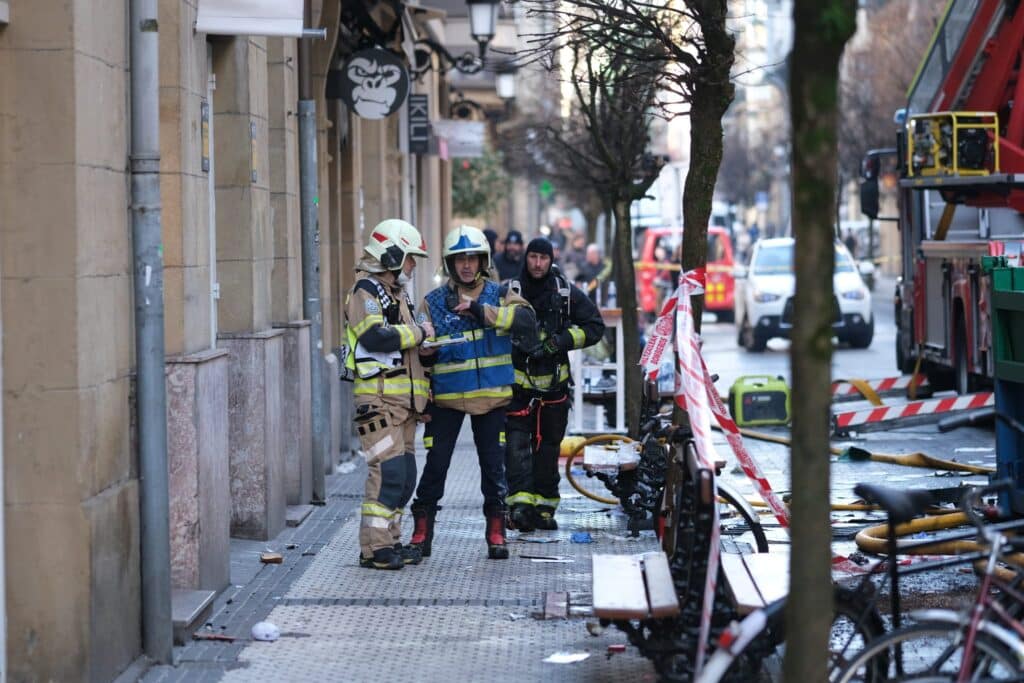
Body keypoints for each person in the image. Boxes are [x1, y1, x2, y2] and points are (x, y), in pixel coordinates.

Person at [409, 225, 537, 560]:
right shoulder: (433, 303)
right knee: (435, 465)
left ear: (482, 261)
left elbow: (526, 322)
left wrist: (483, 312)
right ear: (449, 264)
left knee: (494, 468)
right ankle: (422, 531)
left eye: (472, 258)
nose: (466, 265)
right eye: (459, 259)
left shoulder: (500, 294)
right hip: (447, 400)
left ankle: (496, 531)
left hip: (492, 398)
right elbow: (418, 354)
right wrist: (427, 355)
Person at [344, 219, 434, 570]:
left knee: (406, 475)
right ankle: (375, 549)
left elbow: (406, 346)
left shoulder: (396, 293)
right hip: (377, 402)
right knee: (389, 473)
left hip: (405, 406)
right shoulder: (364, 290)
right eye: (410, 258)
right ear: (392, 254)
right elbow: (374, 337)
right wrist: (418, 333)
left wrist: (426, 347)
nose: (412, 266)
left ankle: (390, 540)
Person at [504, 238, 605, 531]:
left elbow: (595, 327)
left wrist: (561, 341)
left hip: (554, 392)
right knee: (516, 449)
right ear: (526, 259)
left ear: (551, 260)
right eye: (533, 257)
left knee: (548, 450)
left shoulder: (565, 294)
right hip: (518, 392)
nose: (537, 264)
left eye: (543, 258)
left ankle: (545, 508)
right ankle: (520, 507)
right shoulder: (510, 292)